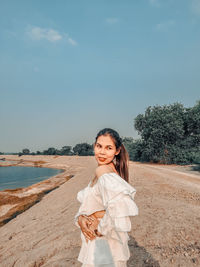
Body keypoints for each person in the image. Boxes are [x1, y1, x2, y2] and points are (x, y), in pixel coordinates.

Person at [74, 128, 139, 267]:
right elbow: (89, 203)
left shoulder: (102, 170)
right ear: (94, 146)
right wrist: (80, 218)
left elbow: (121, 206)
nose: (102, 152)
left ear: (117, 151)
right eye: (99, 146)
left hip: (103, 245)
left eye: (108, 148)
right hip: (100, 244)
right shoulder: (106, 169)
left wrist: (100, 228)